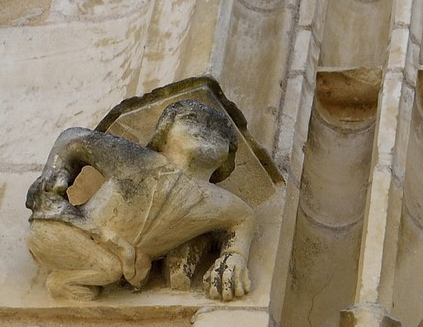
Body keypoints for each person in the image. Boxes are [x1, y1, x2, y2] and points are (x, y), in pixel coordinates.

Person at [25, 93, 255, 303]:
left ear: (227, 158)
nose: (206, 131)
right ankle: (66, 282)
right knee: (112, 268)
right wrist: (53, 175)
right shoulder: (138, 161)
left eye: (220, 133)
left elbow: (244, 217)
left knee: (112, 268)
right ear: (165, 131)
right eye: (191, 119)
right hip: (66, 231)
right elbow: (74, 139)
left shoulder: (215, 201)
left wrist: (234, 256)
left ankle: (67, 282)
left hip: (110, 255)